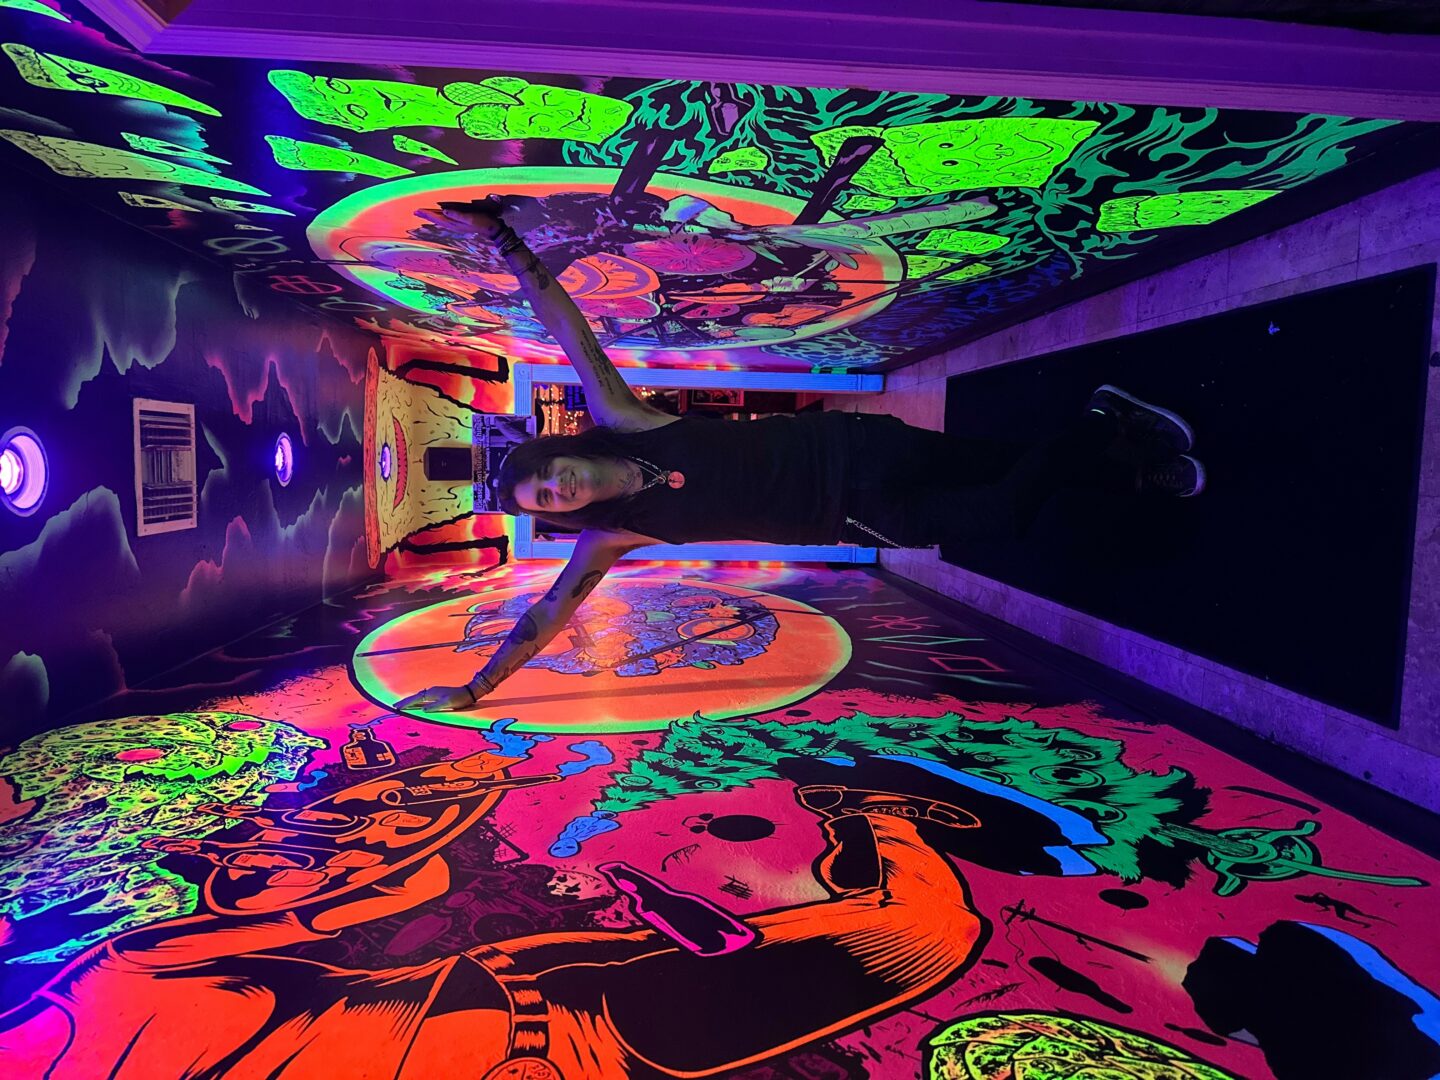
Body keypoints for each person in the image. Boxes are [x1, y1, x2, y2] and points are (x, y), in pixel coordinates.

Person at [397, 199, 1206, 714]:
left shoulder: (623, 418)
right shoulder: (612, 537)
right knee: (1002, 512)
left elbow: (570, 330)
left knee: (1000, 459)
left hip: (857, 444)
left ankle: (1126, 461)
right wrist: (476, 686)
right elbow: (545, 619)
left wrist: (504, 241)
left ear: (557, 451)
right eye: (546, 500)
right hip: (860, 514)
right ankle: (1102, 421)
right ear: (558, 514)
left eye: (545, 473)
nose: (558, 487)